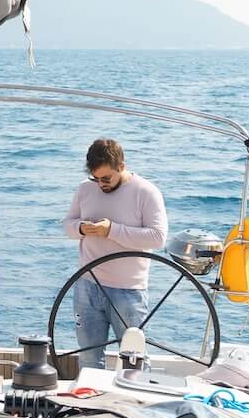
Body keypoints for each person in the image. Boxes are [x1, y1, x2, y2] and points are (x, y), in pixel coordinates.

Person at [60, 138, 168, 369]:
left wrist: (111, 230)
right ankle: (89, 405)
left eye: (106, 178)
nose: (100, 184)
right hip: (87, 286)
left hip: (128, 292)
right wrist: (81, 228)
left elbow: (157, 237)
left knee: (133, 361)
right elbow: (68, 225)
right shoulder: (85, 188)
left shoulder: (146, 192)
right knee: (88, 359)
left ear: (121, 166)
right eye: (95, 178)